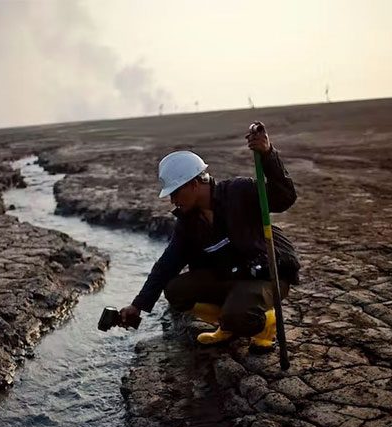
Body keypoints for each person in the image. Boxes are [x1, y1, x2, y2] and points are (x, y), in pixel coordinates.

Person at [119, 122, 300, 352]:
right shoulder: (189, 221)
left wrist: (267, 154)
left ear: (194, 184)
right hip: (229, 277)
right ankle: (229, 325)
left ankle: (265, 324)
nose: (172, 200)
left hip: (265, 276)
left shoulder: (239, 192)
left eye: (175, 192)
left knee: (239, 315)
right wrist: (138, 305)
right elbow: (167, 264)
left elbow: (285, 197)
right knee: (176, 291)